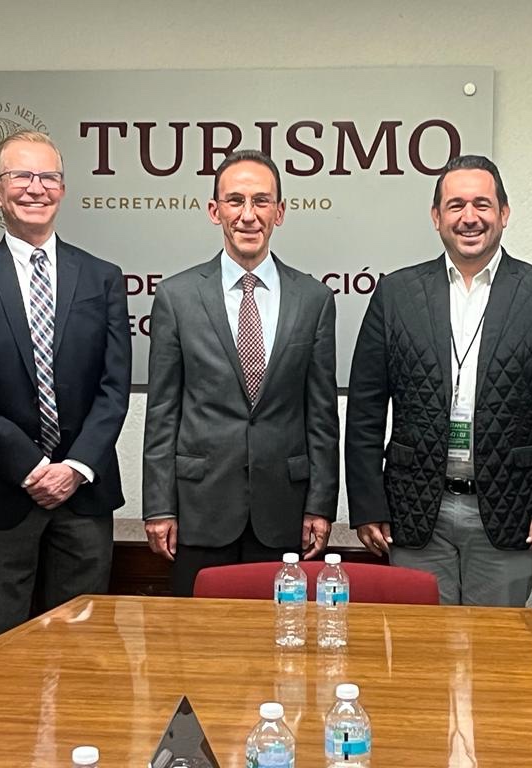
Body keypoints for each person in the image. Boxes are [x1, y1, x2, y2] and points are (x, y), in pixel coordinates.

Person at [345, 154, 532, 606]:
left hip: (508, 507)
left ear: (504, 212)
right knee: (422, 643)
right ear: (436, 216)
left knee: (495, 645)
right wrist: (367, 504)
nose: (469, 217)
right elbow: (365, 409)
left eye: (482, 204)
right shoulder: (396, 294)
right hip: (415, 508)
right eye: (456, 205)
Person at [0, 130, 131, 641]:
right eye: (21, 175)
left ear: (62, 189)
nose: (36, 187)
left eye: (48, 177)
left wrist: (74, 468)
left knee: (82, 654)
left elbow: (114, 387)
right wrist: (31, 467)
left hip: (83, 495)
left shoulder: (102, 278)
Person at [142, 149, 339, 596]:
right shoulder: (176, 297)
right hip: (199, 510)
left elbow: (322, 417)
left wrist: (320, 505)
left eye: (261, 201)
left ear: (279, 212)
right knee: (197, 634)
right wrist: (159, 507)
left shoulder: (313, 300)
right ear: (215, 211)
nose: (248, 215)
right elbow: (163, 413)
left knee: (280, 634)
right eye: (235, 201)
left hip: (284, 512)